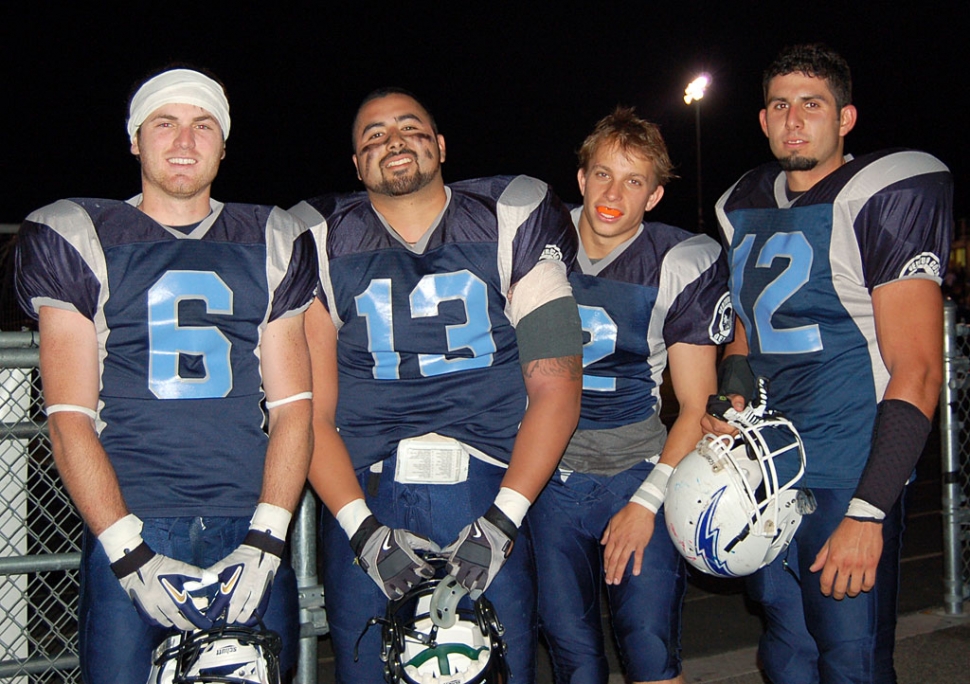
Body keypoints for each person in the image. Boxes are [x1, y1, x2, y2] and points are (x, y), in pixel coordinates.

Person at [15, 66, 317, 682]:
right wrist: (126, 549)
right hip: (131, 515)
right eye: (165, 124)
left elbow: (294, 409)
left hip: (247, 514)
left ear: (224, 145)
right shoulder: (80, 233)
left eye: (203, 125)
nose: (184, 141)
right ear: (134, 139)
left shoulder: (271, 236)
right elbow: (69, 419)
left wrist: (268, 535)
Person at [289, 87, 584, 682]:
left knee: (498, 667)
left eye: (408, 127)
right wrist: (361, 531)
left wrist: (503, 521)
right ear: (355, 164)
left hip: (488, 487)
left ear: (441, 145)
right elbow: (311, 416)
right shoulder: (318, 237)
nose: (392, 140)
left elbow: (558, 386)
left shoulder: (510, 217)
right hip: (367, 492)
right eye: (372, 135)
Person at [706, 44, 953, 683]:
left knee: (853, 662)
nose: (794, 120)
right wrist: (731, 385)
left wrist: (869, 511)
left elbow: (919, 369)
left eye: (812, 105)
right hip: (768, 465)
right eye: (781, 105)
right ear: (762, 120)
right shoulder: (741, 202)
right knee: (787, 652)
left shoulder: (882, 193)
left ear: (845, 118)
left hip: (849, 467)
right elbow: (746, 326)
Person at [529, 107, 732, 684]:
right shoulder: (534, 244)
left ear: (655, 195)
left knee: (650, 652)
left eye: (634, 180)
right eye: (602, 174)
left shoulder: (678, 261)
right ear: (580, 178)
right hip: (550, 477)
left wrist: (647, 503)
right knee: (573, 659)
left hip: (636, 471)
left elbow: (696, 406)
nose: (613, 193)